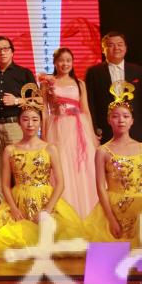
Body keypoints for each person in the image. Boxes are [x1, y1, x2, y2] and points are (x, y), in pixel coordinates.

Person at [0, 108, 86, 257]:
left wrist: (48, 209)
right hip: (18, 200)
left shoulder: (50, 149)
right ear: (19, 122)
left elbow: (60, 184)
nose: (30, 124)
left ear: (40, 122)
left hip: (45, 200)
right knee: (3, 238)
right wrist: (13, 208)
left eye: (35, 119)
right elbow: (5, 185)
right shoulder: (10, 150)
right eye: (25, 119)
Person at [84, 91, 142, 248]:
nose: (121, 120)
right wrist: (111, 219)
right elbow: (100, 187)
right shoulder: (103, 151)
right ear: (109, 120)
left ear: (132, 121)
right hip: (116, 206)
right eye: (115, 116)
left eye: (125, 116)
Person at [40, 47, 99, 218]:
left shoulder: (80, 83)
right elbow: (44, 110)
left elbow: (86, 109)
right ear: (55, 63)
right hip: (57, 127)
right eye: (61, 60)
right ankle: (65, 213)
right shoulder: (47, 84)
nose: (65, 64)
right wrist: (43, 134)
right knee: (62, 165)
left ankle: (87, 211)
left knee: (82, 166)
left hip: (79, 128)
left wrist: (92, 134)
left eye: (68, 60)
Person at [0, 36, 37, 208]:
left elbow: (38, 100)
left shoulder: (24, 73)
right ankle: (1, 212)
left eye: (6, 48)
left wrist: (17, 101)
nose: (2, 52)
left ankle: (24, 208)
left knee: (20, 169)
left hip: (15, 127)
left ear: (12, 51)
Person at [85, 32, 142, 144]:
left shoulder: (139, 71)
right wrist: (93, 129)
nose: (116, 48)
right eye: (111, 45)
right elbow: (90, 104)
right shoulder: (94, 72)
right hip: (105, 131)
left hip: (136, 131)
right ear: (103, 49)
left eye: (120, 44)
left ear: (126, 48)